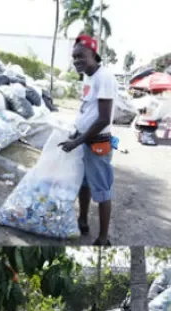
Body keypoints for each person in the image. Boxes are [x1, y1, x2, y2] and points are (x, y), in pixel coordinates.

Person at [59, 34, 116, 246]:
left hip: (97, 142)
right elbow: (87, 109)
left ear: (94, 54)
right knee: (84, 184)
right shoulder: (88, 76)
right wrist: (75, 134)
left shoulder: (105, 77)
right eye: (74, 57)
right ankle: (82, 220)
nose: (76, 61)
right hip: (84, 139)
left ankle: (103, 238)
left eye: (80, 56)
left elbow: (102, 119)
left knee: (102, 190)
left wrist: (78, 140)